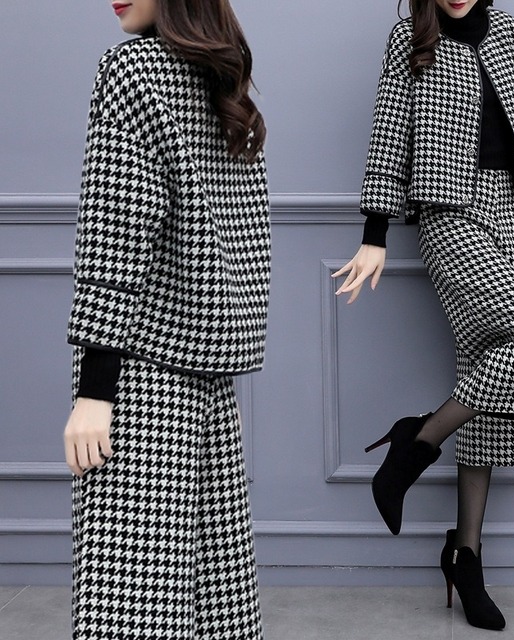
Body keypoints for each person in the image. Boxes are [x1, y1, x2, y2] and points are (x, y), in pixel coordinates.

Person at [333, 0, 514, 631]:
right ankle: (418, 440)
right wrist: (374, 234)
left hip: (507, 211)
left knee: (487, 375)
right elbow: (389, 132)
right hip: (447, 211)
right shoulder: (411, 35)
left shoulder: (506, 30)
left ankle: (465, 556)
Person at [62, 1, 270, 638]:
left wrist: (95, 391)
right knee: (213, 604)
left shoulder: (131, 68)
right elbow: (243, 244)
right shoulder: (222, 79)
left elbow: (116, 234)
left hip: (140, 376)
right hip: (209, 375)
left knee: (129, 609)